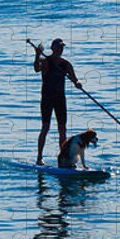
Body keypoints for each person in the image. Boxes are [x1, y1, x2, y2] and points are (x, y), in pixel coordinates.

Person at [33, 38, 82, 166]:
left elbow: (74, 79)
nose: (61, 49)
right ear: (53, 48)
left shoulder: (65, 64)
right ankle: (39, 158)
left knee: (62, 130)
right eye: (59, 47)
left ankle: (63, 159)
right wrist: (37, 54)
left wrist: (77, 83)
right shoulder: (45, 61)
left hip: (60, 99)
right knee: (45, 127)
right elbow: (36, 69)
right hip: (47, 99)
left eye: (62, 47)